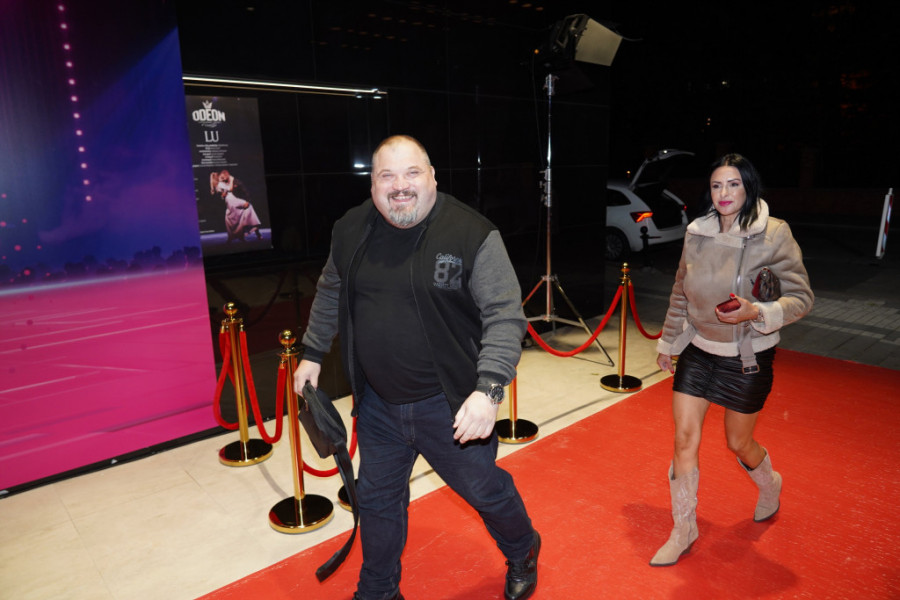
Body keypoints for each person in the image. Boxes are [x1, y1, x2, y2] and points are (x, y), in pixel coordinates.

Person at [292, 135, 540, 600]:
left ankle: (523, 547)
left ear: (432, 177)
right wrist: (313, 351)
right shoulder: (350, 229)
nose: (400, 186)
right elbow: (330, 289)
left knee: (485, 491)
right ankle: (378, 590)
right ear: (372, 184)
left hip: (451, 406)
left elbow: (506, 317)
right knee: (378, 501)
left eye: (412, 173)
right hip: (379, 405)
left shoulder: (472, 234)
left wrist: (489, 391)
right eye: (387, 175)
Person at [651, 153, 814, 567]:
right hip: (698, 349)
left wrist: (757, 311)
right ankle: (683, 528)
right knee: (683, 439)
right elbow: (680, 291)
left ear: (748, 187)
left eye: (734, 184)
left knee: (738, 443)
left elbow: (802, 298)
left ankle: (770, 483)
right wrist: (669, 342)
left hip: (747, 356)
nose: (724, 193)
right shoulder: (696, 233)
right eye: (716, 185)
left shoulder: (773, 233)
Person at [209, 170, 261, 242]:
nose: (222, 179)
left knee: (232, 216)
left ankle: (241, 235)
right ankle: (248, 229)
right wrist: (231, 180)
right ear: (217, 178)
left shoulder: (223, 184)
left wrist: (247, 201)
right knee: (247, 208)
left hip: (232, 201)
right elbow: (229, 190)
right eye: (221, 178)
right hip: (232, 201)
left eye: (222, 177)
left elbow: (243, 191)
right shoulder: (220, 184)